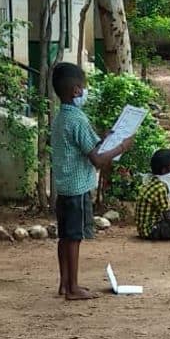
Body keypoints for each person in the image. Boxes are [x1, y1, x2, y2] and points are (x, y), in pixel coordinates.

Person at [50, 62, 136, 300]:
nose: (85, 91)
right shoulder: (77, 119)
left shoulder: (61, 118)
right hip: (77, 188)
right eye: (84, 87)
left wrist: (106, 138)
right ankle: (74, 288)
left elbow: (88, 146)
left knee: (65, 237)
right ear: (76, 90)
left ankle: (64, 283)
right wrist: (121, 146)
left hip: (64, 187)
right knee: (75, 237)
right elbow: (97, 159)